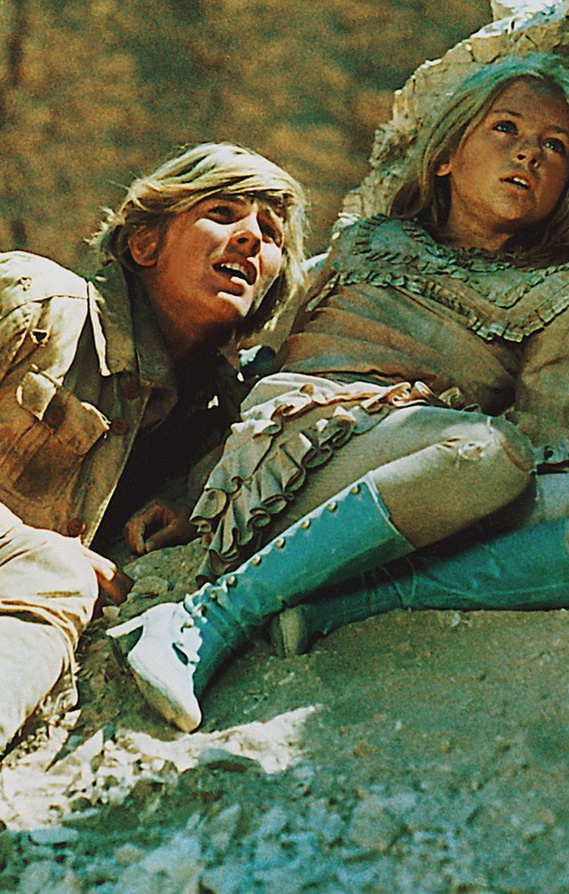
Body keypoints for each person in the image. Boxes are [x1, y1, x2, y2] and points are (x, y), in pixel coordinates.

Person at [109, 54, 569, 734]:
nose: (528, 152)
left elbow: (543, 433)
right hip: (300, 453)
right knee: (489, 452)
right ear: (446, 156)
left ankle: (339, 605)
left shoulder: (559, 291)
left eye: (554, 146)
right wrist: (191, 488)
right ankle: (206, 618)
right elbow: (258, 370)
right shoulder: (369, 244)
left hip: (425, 478)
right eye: (506, 128)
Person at [0, 141, 307, 753]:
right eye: (222, 213)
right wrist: (31, 549)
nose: (251, 238)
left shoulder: (229, 421)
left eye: (271, 234)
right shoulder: (34, 303)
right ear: (144, 243)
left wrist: (188, 501)